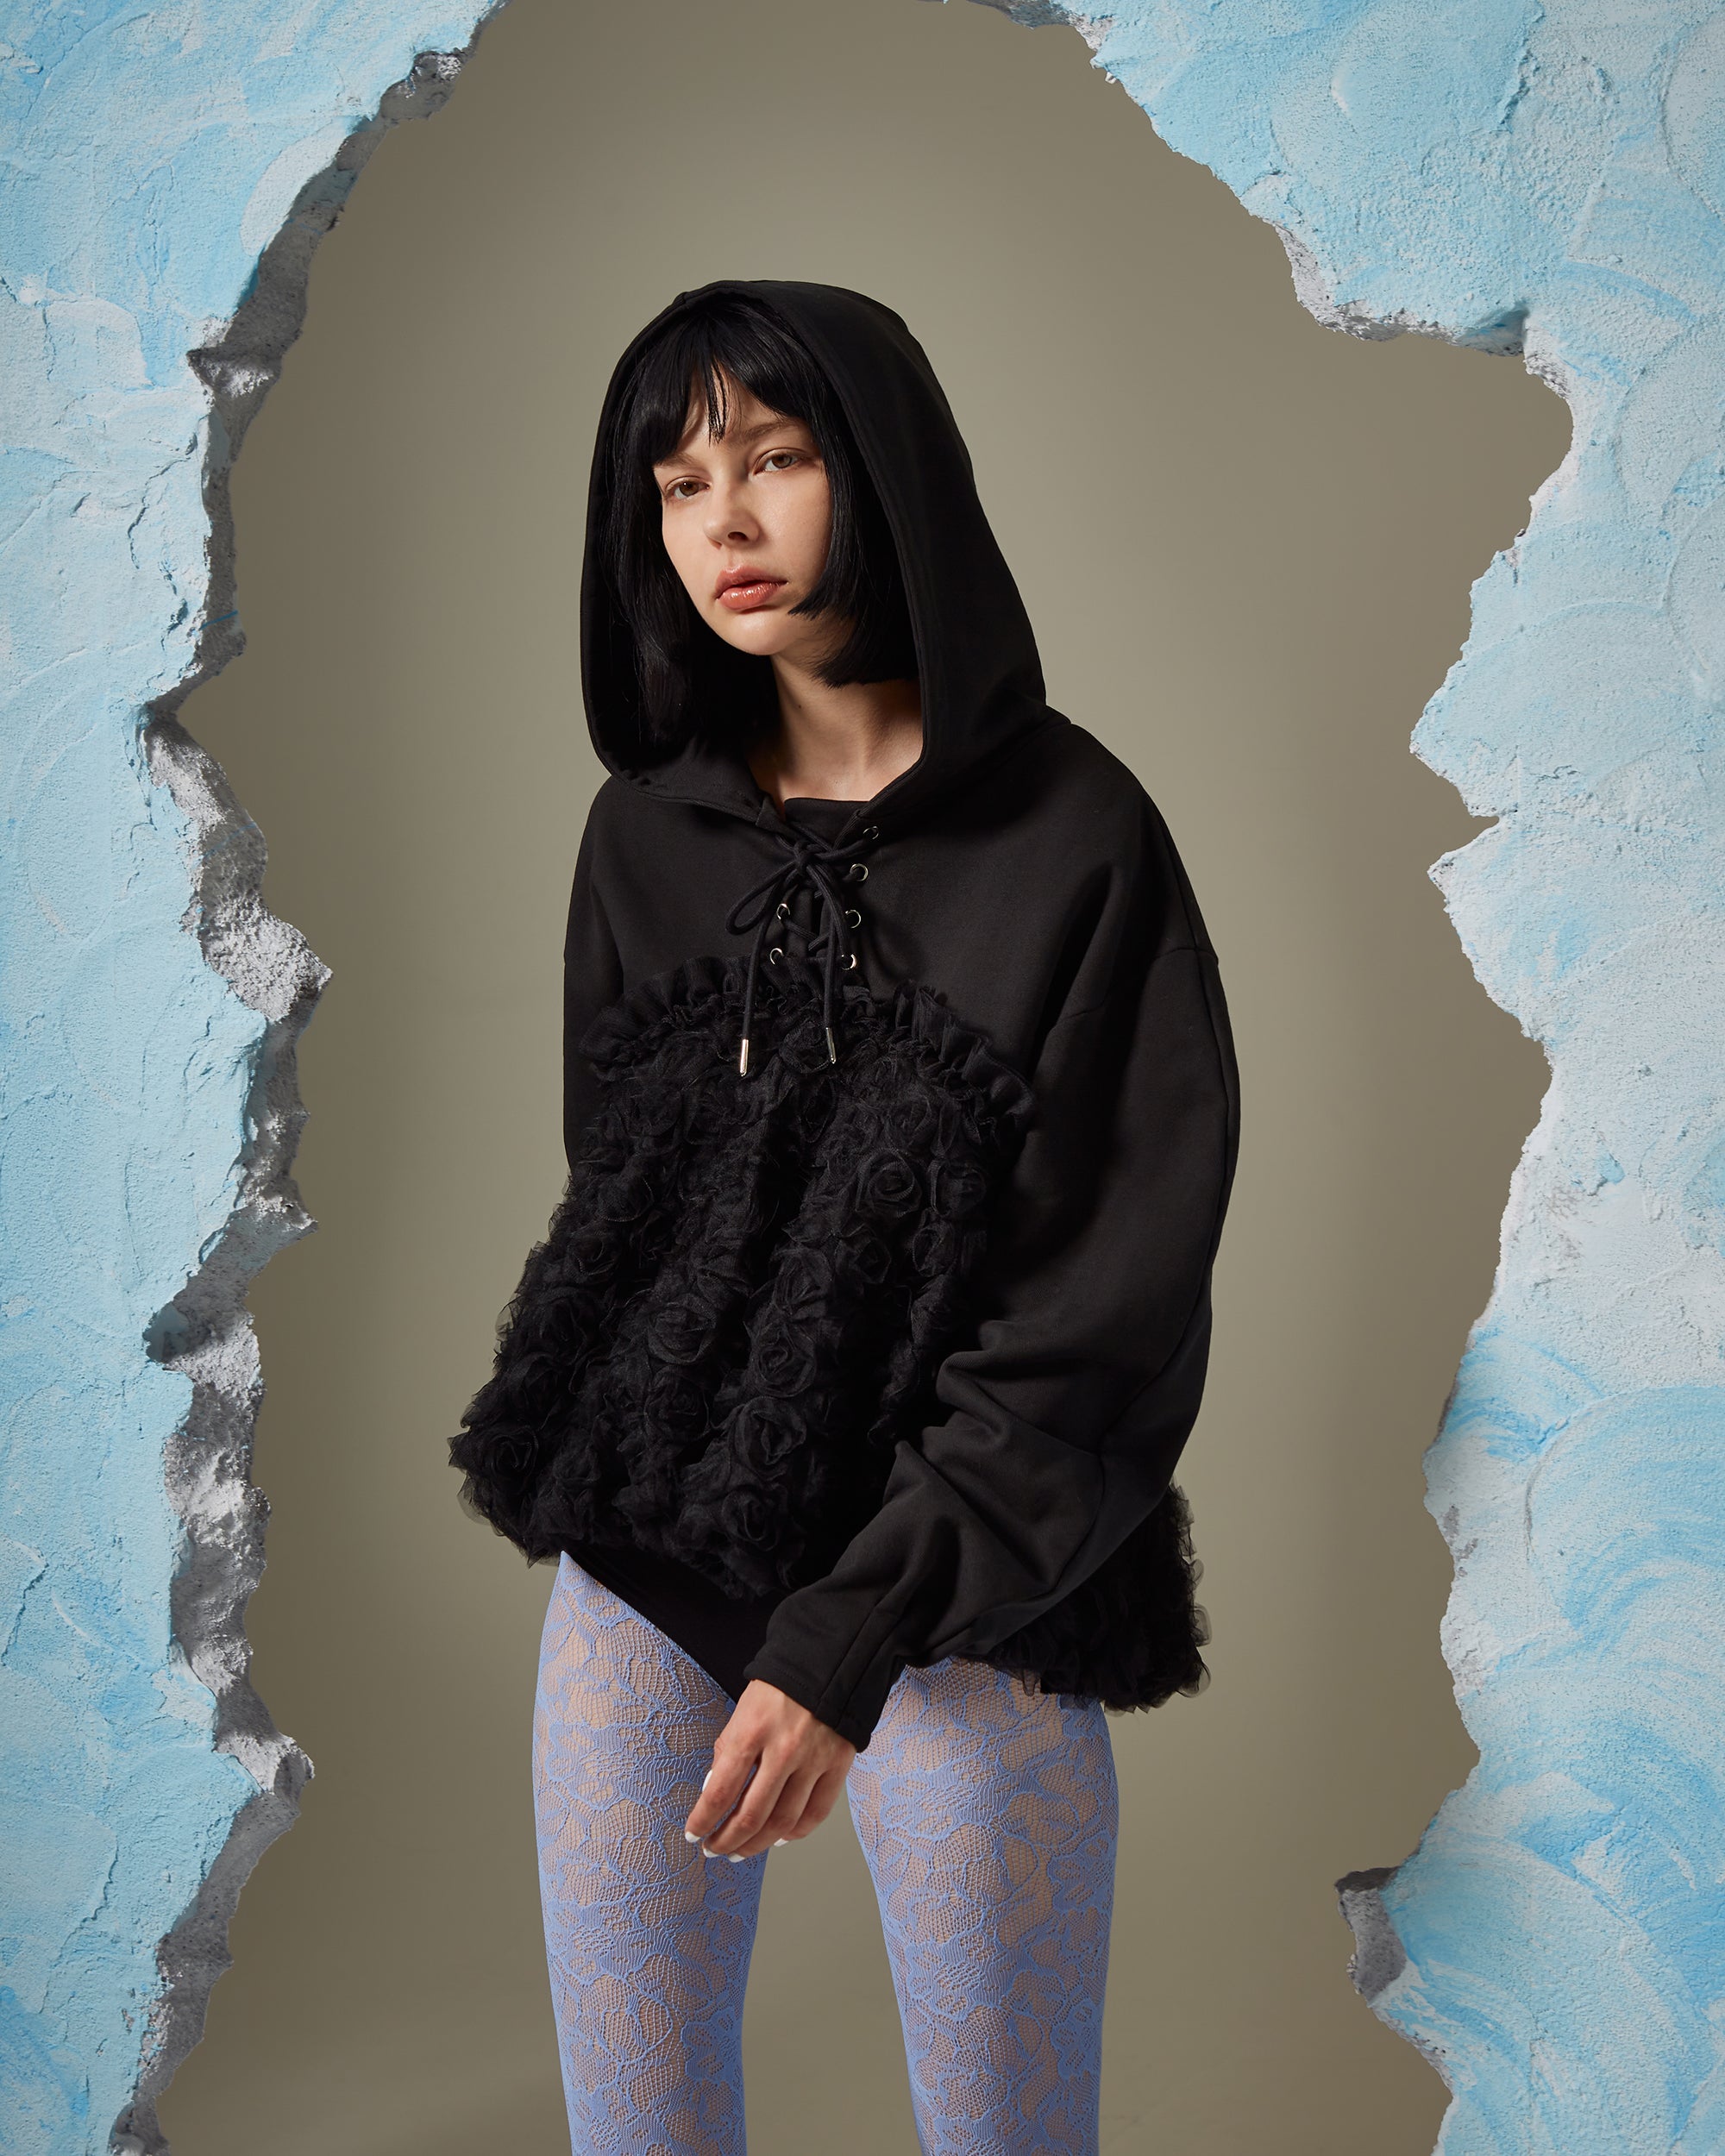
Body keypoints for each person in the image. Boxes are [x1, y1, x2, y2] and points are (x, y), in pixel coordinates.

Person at [451, 279, 1239, 2155]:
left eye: (777, 460)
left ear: (881, 472)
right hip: (647, 1582)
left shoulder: (1080, 837)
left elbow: (1103, 1306)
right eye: (676, 484)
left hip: (969, 1601)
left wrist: (854, 1626)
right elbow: (630, 1225)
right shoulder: (641, 833)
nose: (722, 521)